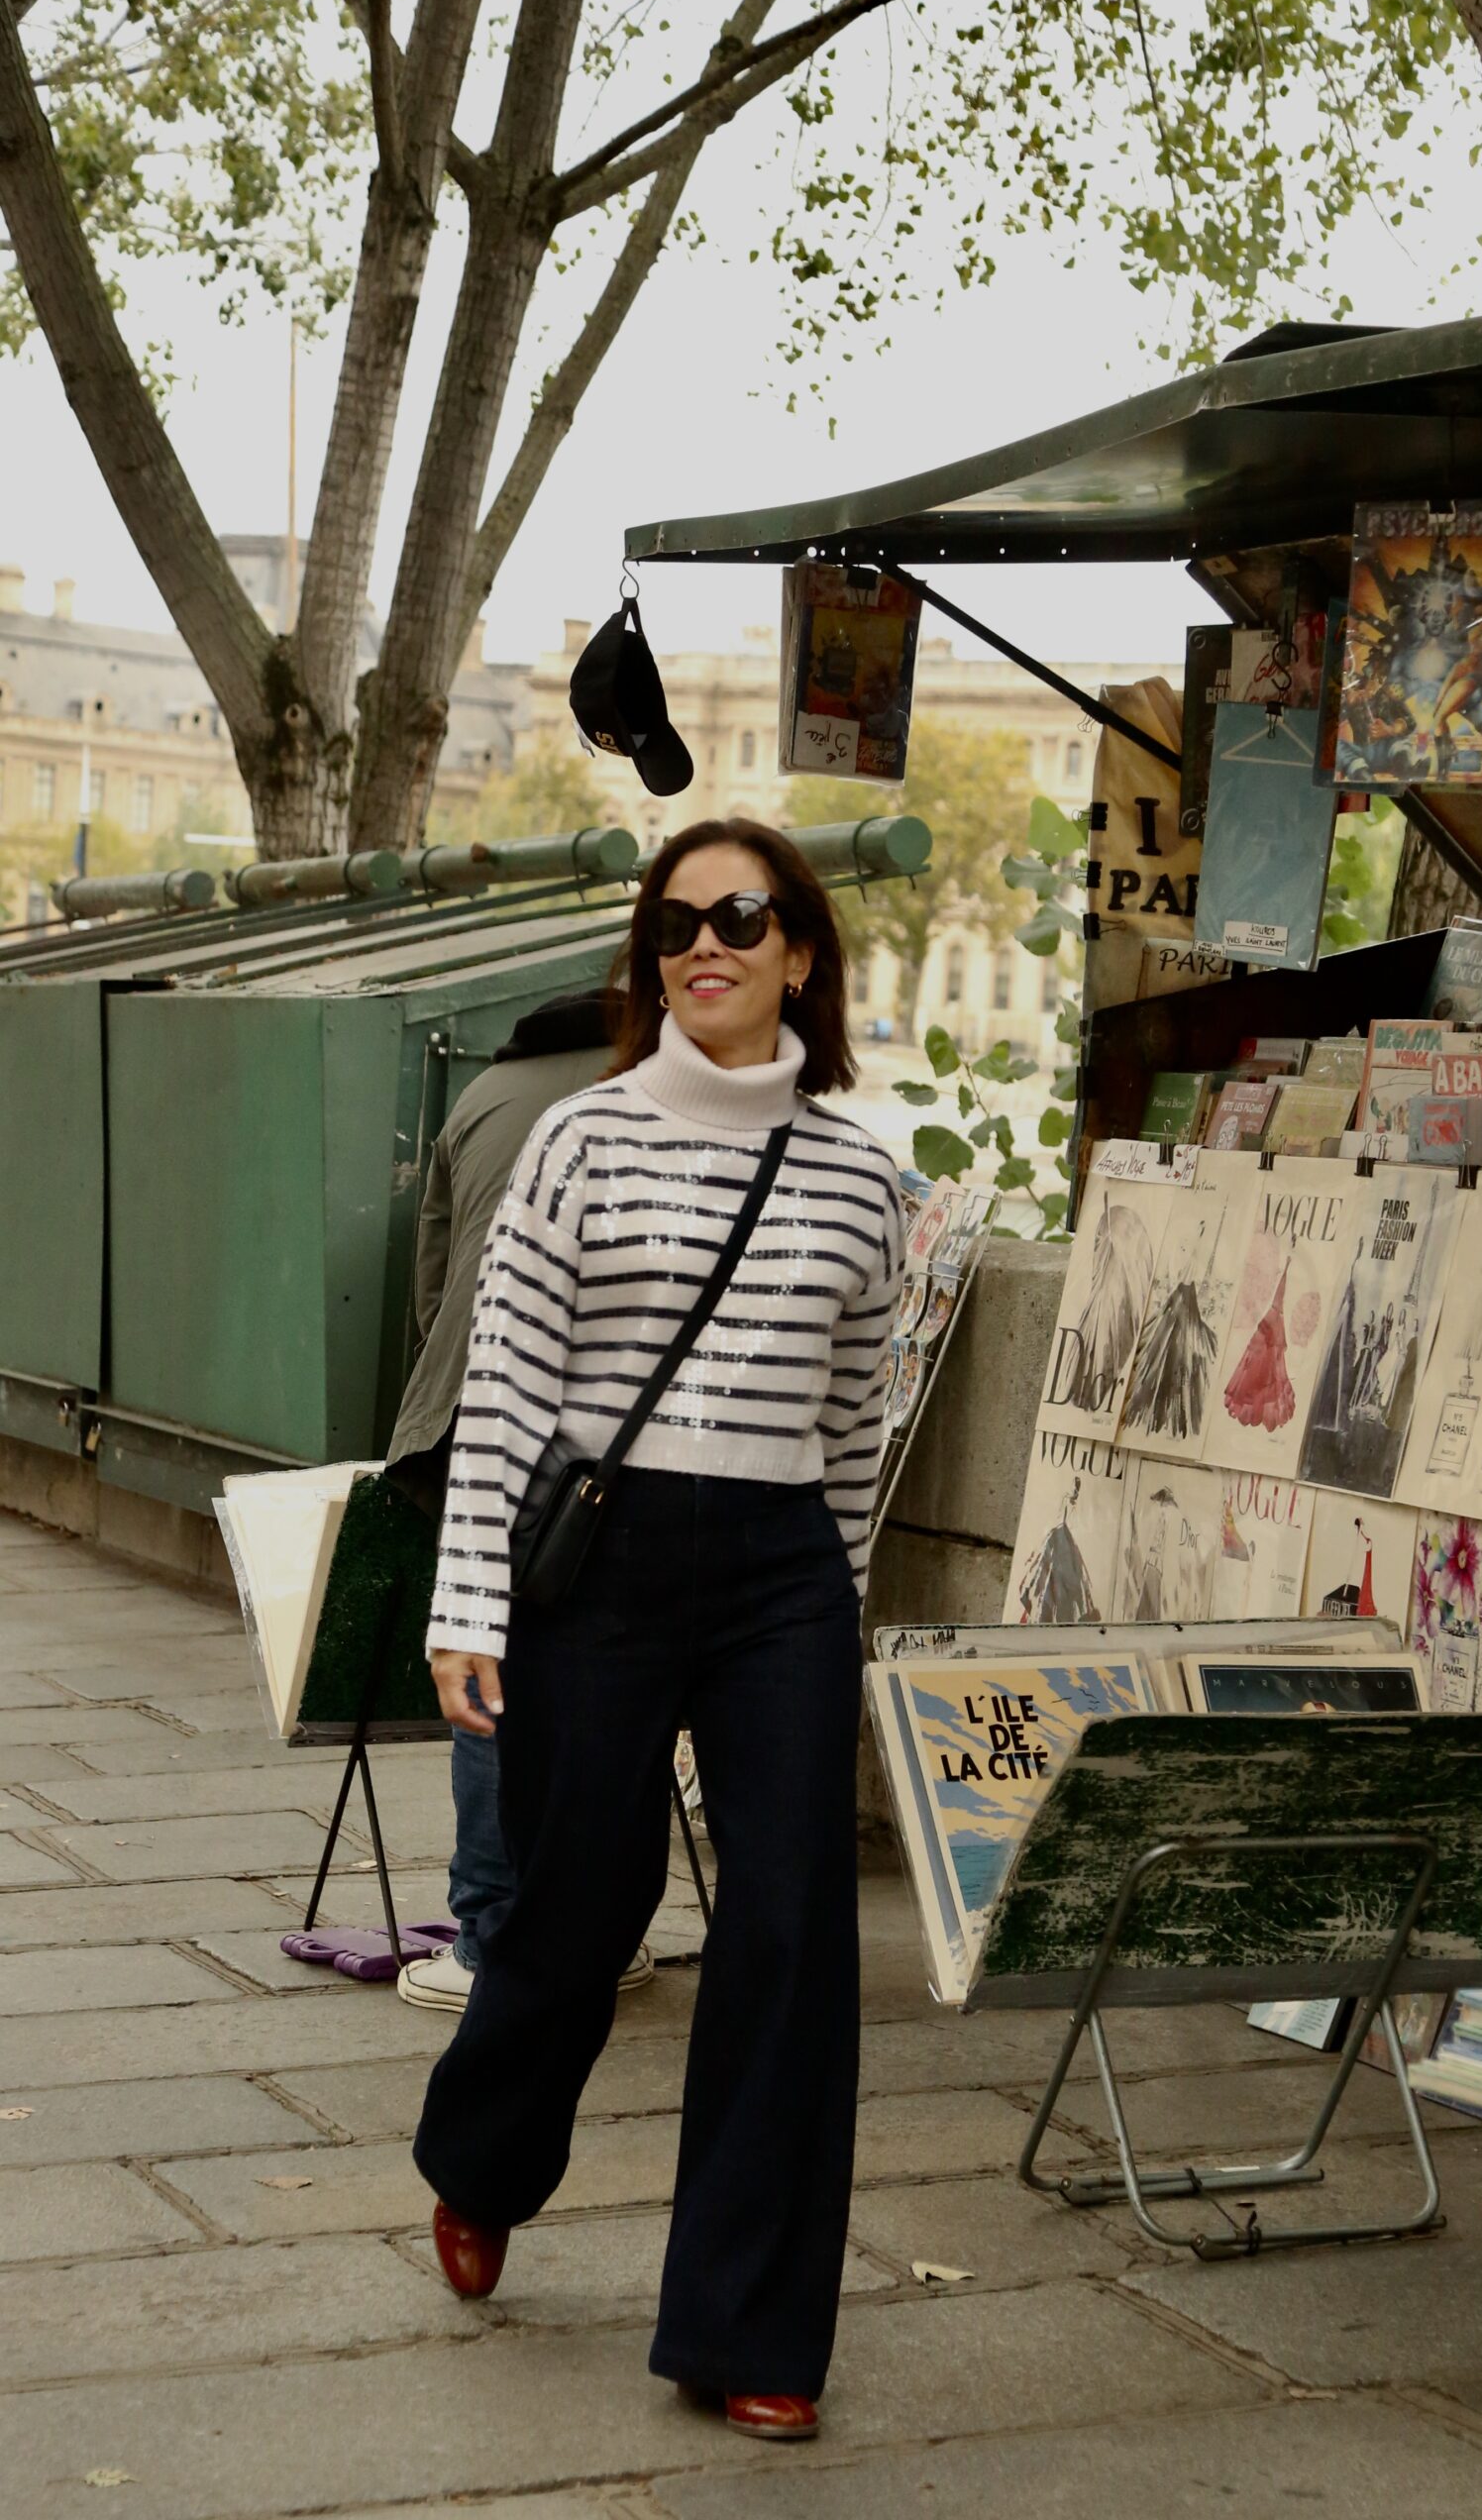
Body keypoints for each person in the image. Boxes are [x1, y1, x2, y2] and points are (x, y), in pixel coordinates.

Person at [413, 818, 900, 2447]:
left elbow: (853, 1428)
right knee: (574, 1906)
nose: (710, 944)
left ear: (801, 954)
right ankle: (483, 2158)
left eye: (743, 918)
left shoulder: (862, 1172)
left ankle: (750, 2328)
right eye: (679, 922)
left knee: (786, 1932)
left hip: (779, 1582)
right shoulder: (579, 1141)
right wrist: (465, 1605)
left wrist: (840, 1615)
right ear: (653, 955)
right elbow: (506, 1392)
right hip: (603, 1568)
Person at [383, 991, 655, 2014]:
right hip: (619, 1440)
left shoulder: (482, 1096)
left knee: (489, 1680)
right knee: (626, 1682)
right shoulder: (642, 1089)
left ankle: (489, 1934)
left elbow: (430, 1285)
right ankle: (608, 1932)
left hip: (480, 1414)